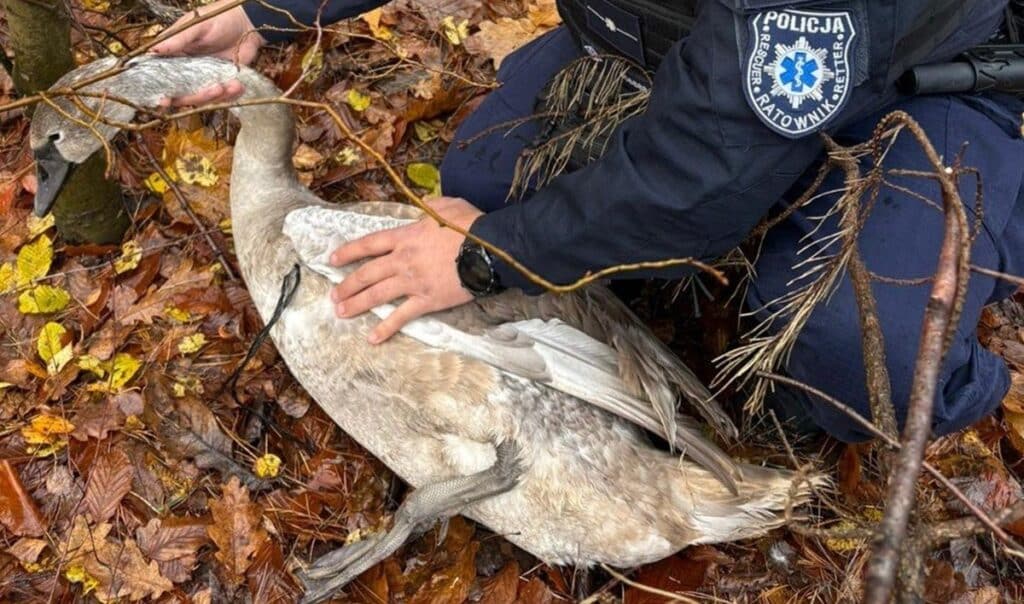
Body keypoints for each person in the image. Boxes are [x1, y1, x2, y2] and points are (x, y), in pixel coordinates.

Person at [153, 0, 1024, 442]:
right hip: (667, 48)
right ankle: (686, 257)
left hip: (927, 92)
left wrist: (489, 257)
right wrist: (269, 10)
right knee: (484, 176)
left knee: (856, 361)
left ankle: (964, 364)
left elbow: (705, 169)